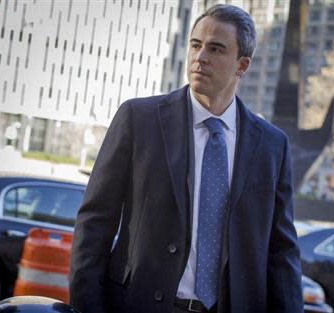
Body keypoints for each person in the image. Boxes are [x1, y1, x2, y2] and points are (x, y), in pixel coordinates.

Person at [69, 4, 303, 313]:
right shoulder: (139, 120)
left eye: (216, 49)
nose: (200, 57)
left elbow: (281, 251)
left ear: (242, 65)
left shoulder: (273, 146)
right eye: (196, 45)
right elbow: (95, 222)